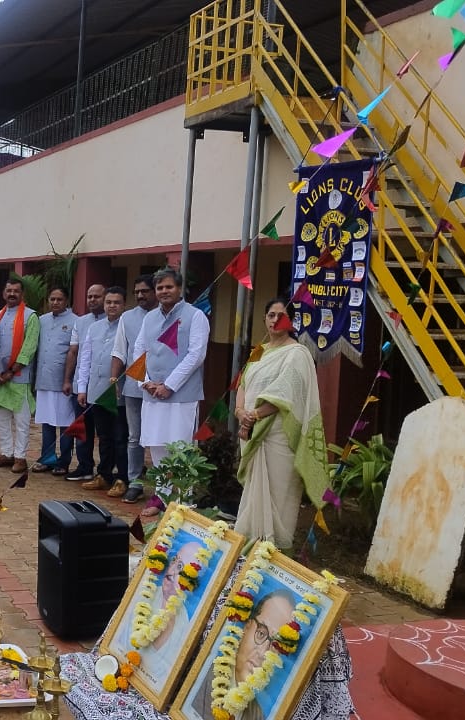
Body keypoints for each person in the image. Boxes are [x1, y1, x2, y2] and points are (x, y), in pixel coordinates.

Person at [234, 299, 330, 549]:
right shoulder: (259, 350)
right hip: (250, 429)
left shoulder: (297, 354)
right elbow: (243, 383)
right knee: (254, 493)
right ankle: (249, 544)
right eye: (271, 315)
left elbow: (285, 395)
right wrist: (239, 411)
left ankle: (274, 549)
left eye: (282, 316)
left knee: (278, 493)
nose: (275, 320)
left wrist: (253, 415)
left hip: (277, 434)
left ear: (291, 322)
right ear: (265, 318)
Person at [133, 268, 209, 504]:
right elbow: (139, 350)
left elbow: (196, 355)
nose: (164, 291)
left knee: (180, 448)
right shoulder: (150, 318)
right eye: (160, 288)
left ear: (179, 289)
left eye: (169, 287)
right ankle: (162, 499)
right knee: (156, 447)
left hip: (181, 397)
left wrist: (169, 385)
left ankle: (183, 502)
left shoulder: (195, 316)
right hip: (152, 394)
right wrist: (144, 381)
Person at [187, 589, 295, 720]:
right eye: (261, 633)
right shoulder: (199, 681)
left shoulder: (258, 715)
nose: (263, 653)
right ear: (246, 627)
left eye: (276, 644)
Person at [110, 541, 203, 687]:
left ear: (192, 581)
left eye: (180, 568)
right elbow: (120, 643)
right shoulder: (147, 593)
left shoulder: (185, 624)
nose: (171, 571)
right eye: (174, 561)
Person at [75, 286, 127, 494]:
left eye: (116, 302)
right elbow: (85, 359)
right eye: (109, 302)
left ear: (124, 305)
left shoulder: (126, 327)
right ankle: (104, 474)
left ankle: (122, 478)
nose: (112, 306)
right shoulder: (94, 328)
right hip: (96, 390)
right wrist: (82, 388)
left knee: (120, 436)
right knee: (103, 436)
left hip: (119, 392)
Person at [111, 274, 159, 499]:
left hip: (162, 388)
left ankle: (163, 487)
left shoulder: (165, 316)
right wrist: (114, 379)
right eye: (137, 291)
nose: (140, 295)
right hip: (133, 386)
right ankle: (135, 483)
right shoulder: (127, 318)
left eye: (145, 291)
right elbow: (120, 351)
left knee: (160, 437)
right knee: (135, 437)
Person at [0, 278, 39, 473]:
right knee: (1, 418)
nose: (12, 294)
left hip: (19, 377)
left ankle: (21, 457)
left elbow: (29, 348)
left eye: (16, 291)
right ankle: (6, 453)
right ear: (3, 293)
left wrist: (11, 371)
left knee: (22, 420)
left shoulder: (30, 316)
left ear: (22, 294)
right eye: (9, 290)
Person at [32, 287, 79, 476]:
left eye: (59, 299)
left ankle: (64, 461)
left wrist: (68, 379)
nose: (55, 302)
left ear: (66, 300)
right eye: (52, 298)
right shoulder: (41, 320)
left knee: (66, 424)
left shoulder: (76, 321)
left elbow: (74, 352)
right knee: (47, 422)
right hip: (43, 380)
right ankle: (47, 458)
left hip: (63, 383)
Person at [67, 283, 105, 482]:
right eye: (89, 296)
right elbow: (74, 352)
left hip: (104, 388)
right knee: (82, 429)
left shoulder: (115, 321)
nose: (92, 300)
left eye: (97, 296)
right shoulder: (81, 322)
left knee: (106, 433)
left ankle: (106, 471)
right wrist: (68, 379)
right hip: (81, 385)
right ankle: (84, 467)